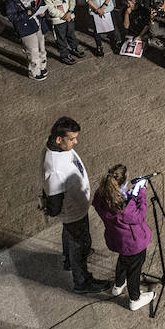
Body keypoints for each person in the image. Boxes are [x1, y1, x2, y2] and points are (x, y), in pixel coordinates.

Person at [40, 117, 109, 294]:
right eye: (71, 139)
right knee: (80, 244)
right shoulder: (54, 170)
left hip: (76, 209)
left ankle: (69, 260)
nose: (75, 142)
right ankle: (82, 282)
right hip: (73, 213)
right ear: (58, 139)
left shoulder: (59, 148)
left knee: (70, 236)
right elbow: (54, 206)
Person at [91, 163, 155, 311]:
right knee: (134, 270)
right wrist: (142, 192)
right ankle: (134, 299)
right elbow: (139, 216)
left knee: (123, 260)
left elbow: (103, 203)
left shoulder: (101, 195)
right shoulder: (124, 206)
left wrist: (129, 195)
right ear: (122, 183)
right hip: (133, 243)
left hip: (117, 239)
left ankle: (118, 285)